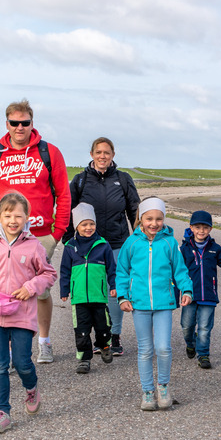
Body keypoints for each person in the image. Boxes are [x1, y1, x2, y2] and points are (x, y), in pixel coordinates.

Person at [0, 99, 70, 364]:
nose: (20, 127)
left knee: (39, 291)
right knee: (5, 292)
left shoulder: (49, 152)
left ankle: (43, 341)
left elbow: (63, 194)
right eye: (14, 123)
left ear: (32, 123)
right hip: (3, 236)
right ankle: (9, 351)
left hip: (40, 235)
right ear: (7, 124)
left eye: (24, 123)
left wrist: (58, 231)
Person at [0, 192, 57, 433]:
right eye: (7, 216)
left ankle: (31, 388)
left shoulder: (34, 246)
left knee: (22, 363)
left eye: (18, 216)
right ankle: (2, 413)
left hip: (22, 314)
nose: (13, 221)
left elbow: (48, 274)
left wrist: (30, 287)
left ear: (27, 217)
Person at [63, 137, 140, 357]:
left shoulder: (123, 179)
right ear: (92, 155)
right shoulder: (80, 180)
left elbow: (134, 210)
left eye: (106, 152)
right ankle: (98, 337)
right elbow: (69, 210)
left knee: (115, 290)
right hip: (89, 247)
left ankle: (114, 335)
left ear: (113, 155)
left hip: (117, 243)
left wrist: (138, 239)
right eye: (98, 152)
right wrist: (68, 240)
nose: (102, 156)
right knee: (94, 291)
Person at [116, 198, 193, 411]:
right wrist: (123, 296)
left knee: (163, 348)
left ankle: (163, 387)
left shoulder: (169, 243)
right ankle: (148, 392)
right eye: (149, 218)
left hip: (163, 303)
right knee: (145, 350)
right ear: (141, 218)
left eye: (159, 219)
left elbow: (180, 270)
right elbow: (121, 271)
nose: (154, 223)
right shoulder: (131, 243)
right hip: (139, 304)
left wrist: (186, 289)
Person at [179, 211, 221, 370]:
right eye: (198, 227)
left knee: (204, 328)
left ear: (210, 229)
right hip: (190, 295)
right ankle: (190, 343)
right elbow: (178, 271)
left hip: (209, 295)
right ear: (191, 228)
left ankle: (203, 355)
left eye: (205, 227)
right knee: (187, 326)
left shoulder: (215, 248)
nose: (201, 231)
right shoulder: (184, 249)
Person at [59, 203, 117, 374]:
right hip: (79, 298)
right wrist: (64, 290)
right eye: (84, 224)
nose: (88, 227)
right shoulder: (70, 247)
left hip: (98, 296)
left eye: (91, 224)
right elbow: (65, 270)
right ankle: (84, 359)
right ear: (77, 226)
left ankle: (104, 345)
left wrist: (113, 285)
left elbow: (112, 269)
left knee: (103, 327)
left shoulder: (103, 245)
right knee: (82, 331)